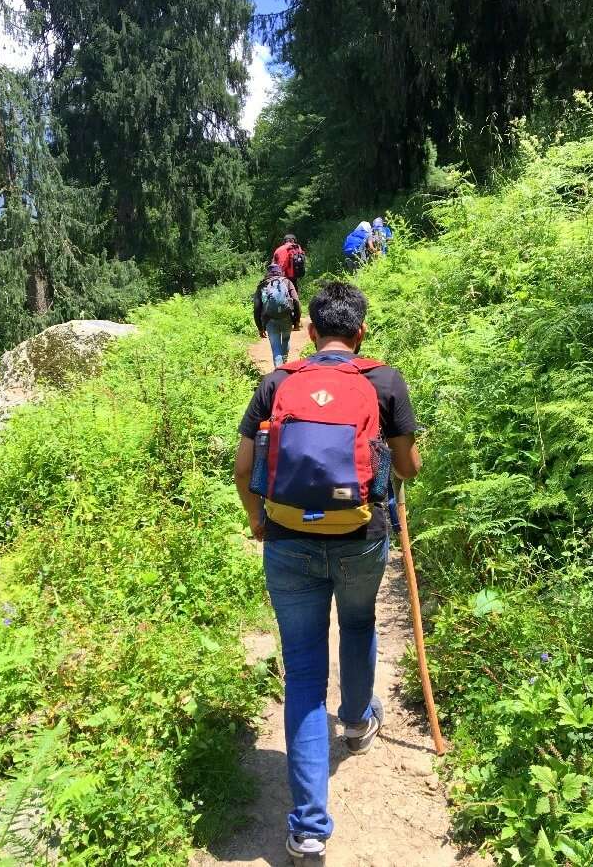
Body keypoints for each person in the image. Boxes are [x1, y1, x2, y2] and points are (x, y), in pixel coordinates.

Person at [234, 282, 421, 864]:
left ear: (310, 333)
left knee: (305, 674)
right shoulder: (384, 381)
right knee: (361, 624)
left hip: (288, 538)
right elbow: (409, 466)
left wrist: (260, 521)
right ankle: (359, 719)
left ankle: (310, 827)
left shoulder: (278, 382)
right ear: (361, 333)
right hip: (360, 536)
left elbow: (244, 470)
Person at [254, 263, 301, 368]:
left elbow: (257, 308)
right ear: (280, 271)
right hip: (286, 318)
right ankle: (284, 366)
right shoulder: (287, 282)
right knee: (286, 340)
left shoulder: (262, 285)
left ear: (268, 273)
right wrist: (297, 321)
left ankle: (278, 371)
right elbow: (296, 301)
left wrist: (260, 328)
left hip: (270, 320)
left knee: (276, 348)